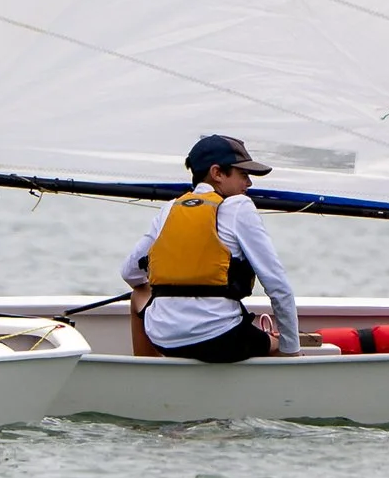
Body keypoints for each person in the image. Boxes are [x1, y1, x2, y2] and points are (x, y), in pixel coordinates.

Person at [124, 135, 300, 362]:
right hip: (220, 340)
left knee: (138, 294)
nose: (249, 184)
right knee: (277, 344)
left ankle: (147, 371)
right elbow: (278, 285)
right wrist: (291, 351)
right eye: (243, 175)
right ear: (217, 173)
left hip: (163, 338)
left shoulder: (170, 209)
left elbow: (129, 273)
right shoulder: (240, 206)